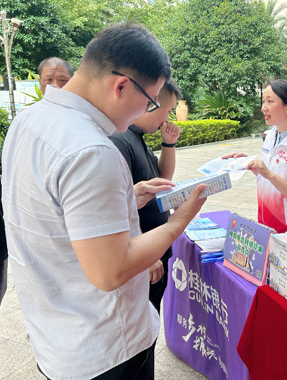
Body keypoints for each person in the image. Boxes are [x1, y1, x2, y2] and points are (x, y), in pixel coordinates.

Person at [1, 23, 206, 380]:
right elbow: (110, 270)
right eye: (151, 101)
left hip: (55, 339)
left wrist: (130, 196)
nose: (148, 112)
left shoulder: (28, 121)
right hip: (106, 351)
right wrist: (179, 221)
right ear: (122, 85)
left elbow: (56, 214)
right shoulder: (92, 150)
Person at [109, 79, 182, 314]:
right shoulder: (120, 140)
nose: (167, 119)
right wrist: (147, 257)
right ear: (151, 103)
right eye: (168, 110)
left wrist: (168, 144)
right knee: (143, 324)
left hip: (152, 251)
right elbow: (117, 207)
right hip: (143, 256)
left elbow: (162, 176)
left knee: (152, 317)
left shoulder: (136, 136)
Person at [224, 79, 287, 233]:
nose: (264, 108)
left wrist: (268, 173)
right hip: (266, 221)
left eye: (270, 101)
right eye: (263, 101)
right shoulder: (271, 135)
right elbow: (275, 173)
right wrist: (248, 162)